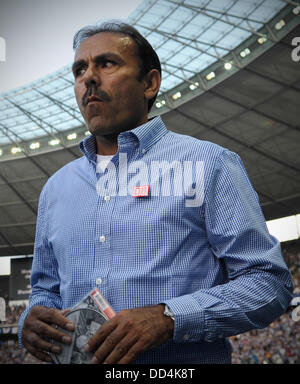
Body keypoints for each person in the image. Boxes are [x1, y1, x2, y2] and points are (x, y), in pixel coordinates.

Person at [18, 20, 293, 364]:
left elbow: (269, 283)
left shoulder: (209, 163)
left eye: (106, 63)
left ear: (150, 83)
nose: (88, 78)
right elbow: (45, 289)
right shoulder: (56, 188)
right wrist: (31, 319)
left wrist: (170, 317)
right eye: (79, 69)